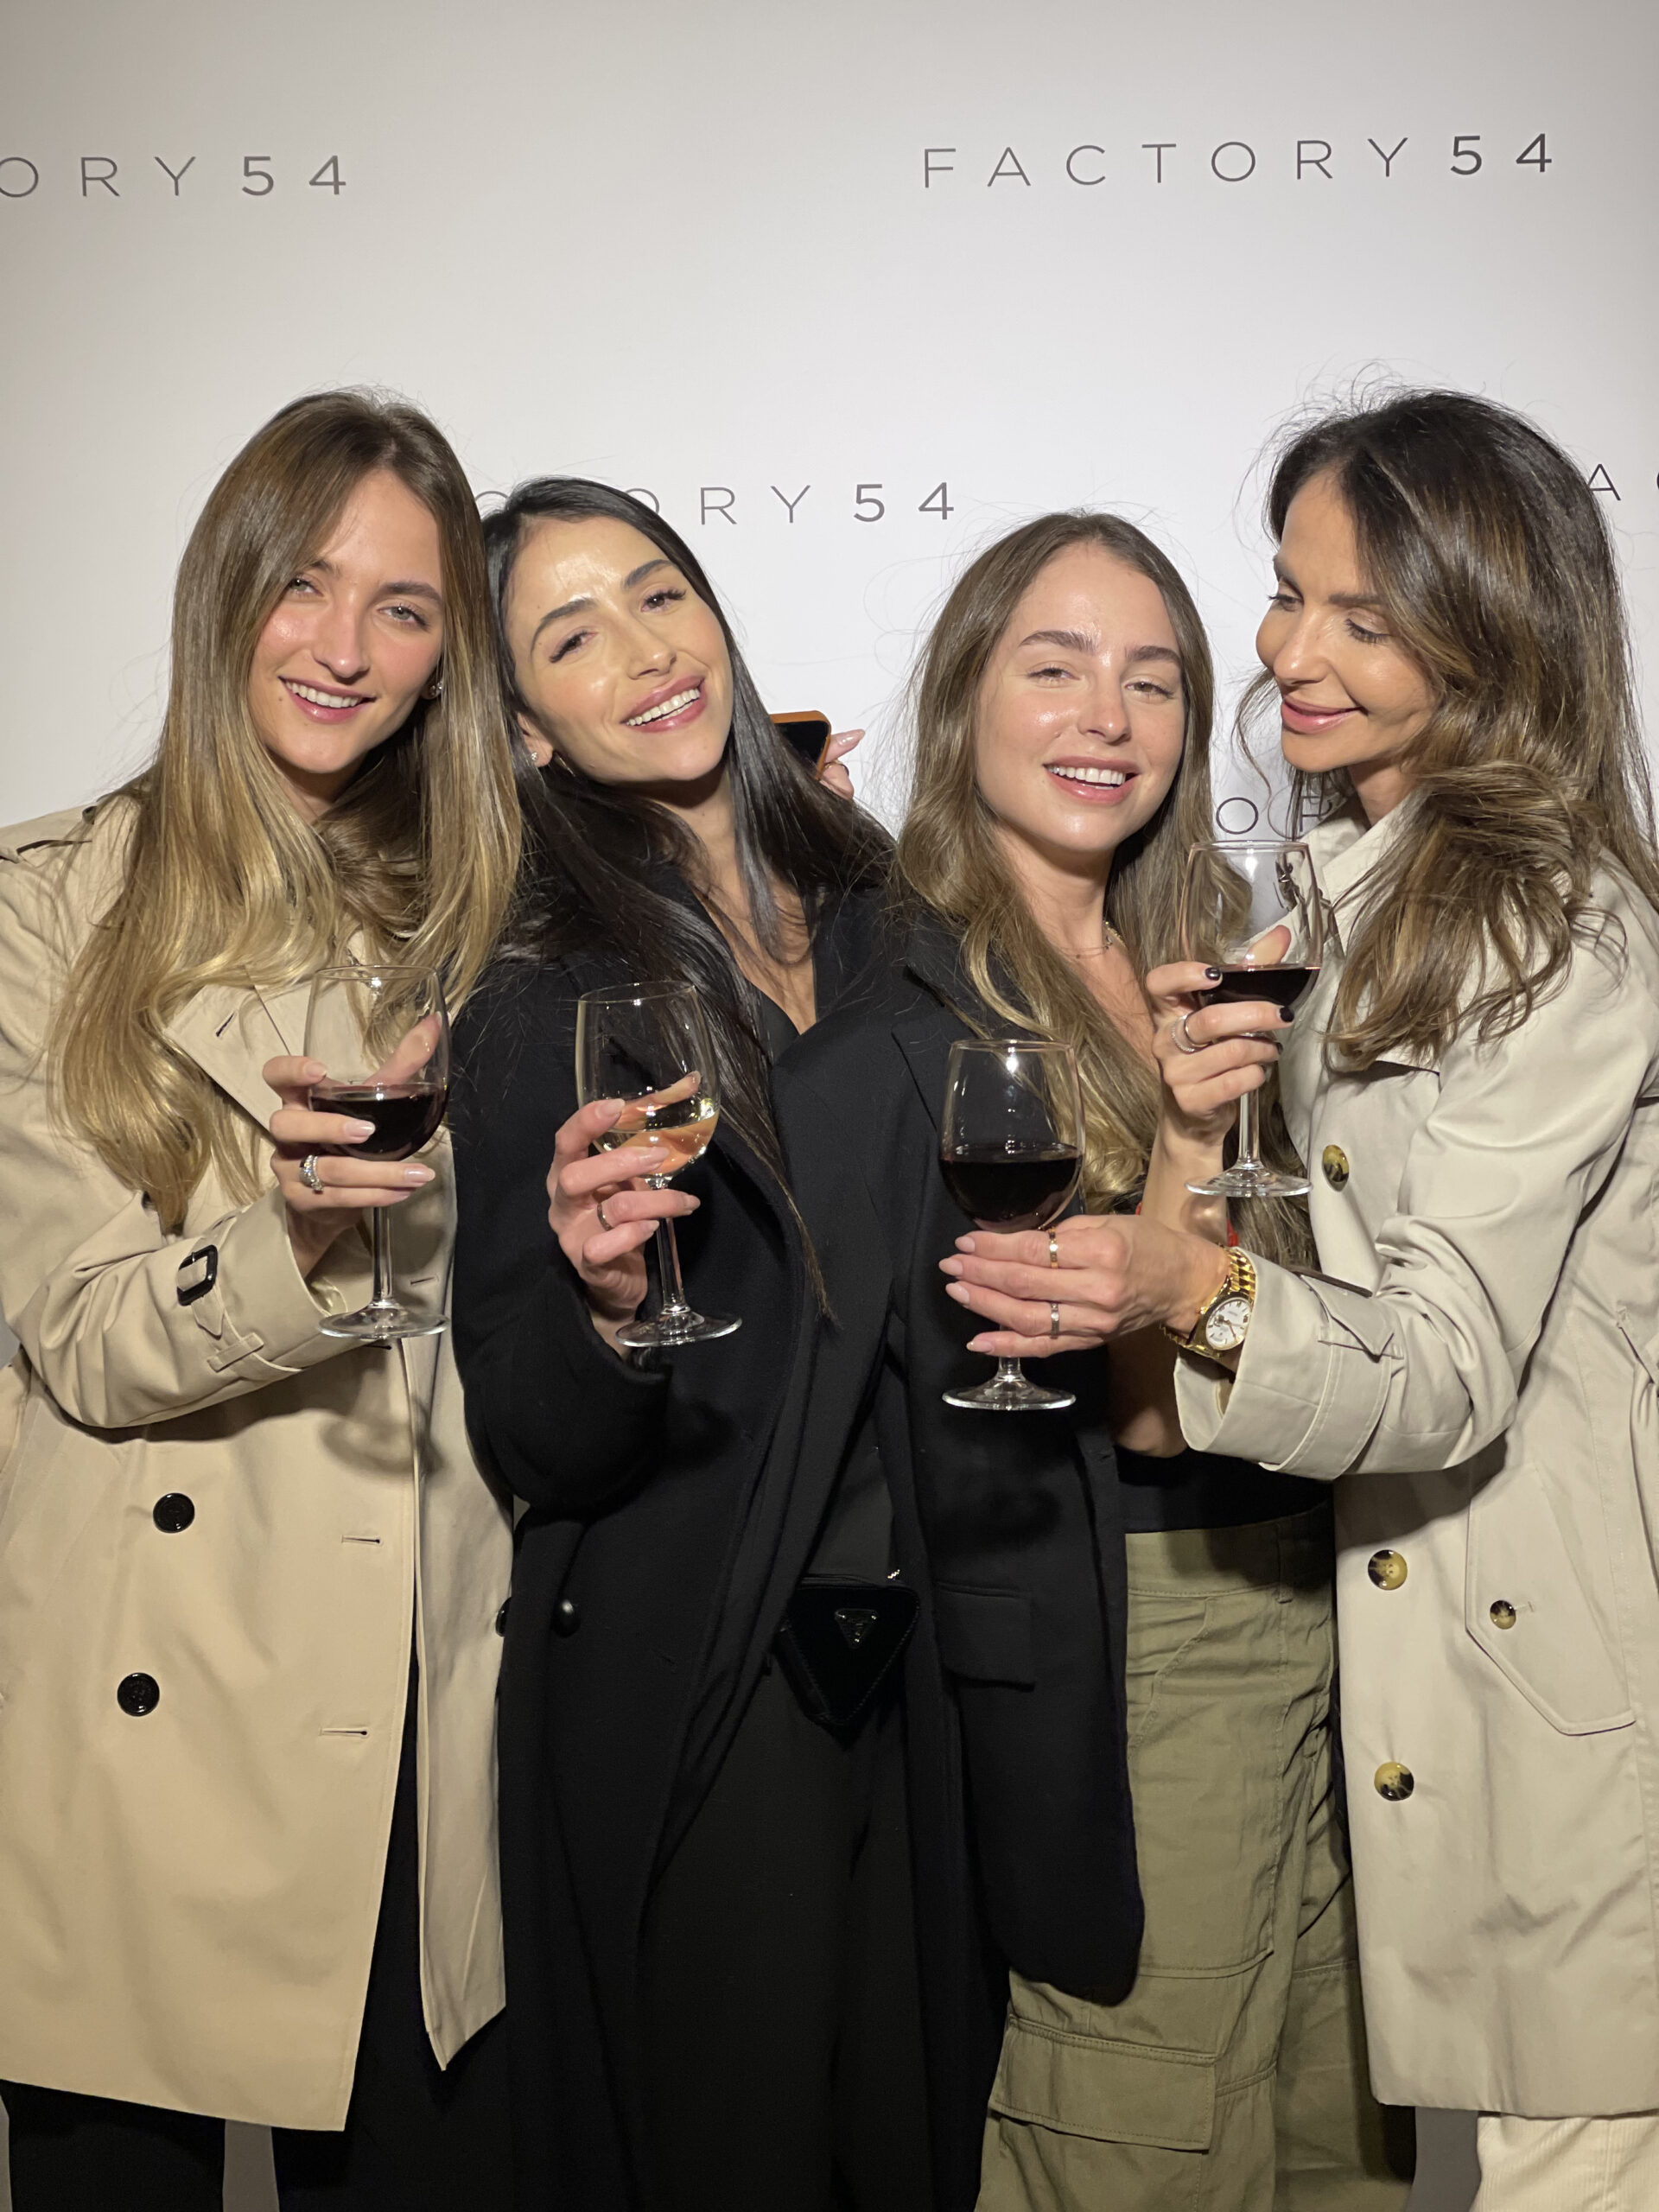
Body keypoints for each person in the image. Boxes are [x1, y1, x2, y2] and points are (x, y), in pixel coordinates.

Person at [944, 391, 1659, 2211]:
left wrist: (1187, 1281)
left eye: (1362, 612)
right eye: (1285, 596)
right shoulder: (1354, 898)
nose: (1287, 652)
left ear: (1492, 631)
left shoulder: (1544, 919)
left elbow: (1438, 1368)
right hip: (1426, 1682)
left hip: (1559, 1706)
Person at [774, 510, 1412, 2211]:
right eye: (1054, 666)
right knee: (1146, 2148)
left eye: (1153, 680)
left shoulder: (1220, 959)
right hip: (1139, 1643)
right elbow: (1131, 1400)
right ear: (965, 693)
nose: (1107, 716)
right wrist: (1195, 1151)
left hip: (1326, 1604)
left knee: (1336, 2145)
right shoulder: (902, 1005)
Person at [0, 391, 521, 2211]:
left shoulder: (489, 909)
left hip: (416, 1733)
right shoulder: (53, 906)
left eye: (406, 610)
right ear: (228, 591)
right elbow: (81, 1335)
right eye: (307, 584)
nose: (347, 649)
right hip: (156, 1719)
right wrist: (290, 1243)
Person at [446, 480, 931, 2212]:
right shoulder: (537, 1000)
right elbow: (533, 1433)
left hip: (933, 1649)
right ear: (522, 726)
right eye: (574, 635)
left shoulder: (890, 907)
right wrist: (602, 1307)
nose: (648, 651)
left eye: (664, 594)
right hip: (708, 1667)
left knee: (918, 2142)